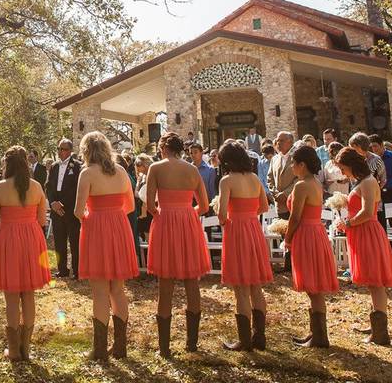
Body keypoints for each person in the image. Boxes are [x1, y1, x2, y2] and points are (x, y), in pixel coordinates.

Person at [74, 131, 138, 361]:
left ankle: (100, 349)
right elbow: (130, 206)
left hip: (97, 230)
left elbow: (78, 211)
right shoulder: (121, 171)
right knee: (118, 290)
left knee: (100, 291)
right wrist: (113, 215)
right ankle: (120, 347)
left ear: (87, 151)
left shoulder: (87, 173)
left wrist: (95, 216)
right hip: (119, 228)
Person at [146, 132, 211, 357]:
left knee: (166, 283)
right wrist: (187, 211)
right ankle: (191, 344)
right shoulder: (192, 170)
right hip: (188, 223)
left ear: (163, 148)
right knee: (191, 281)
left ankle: (164, 349)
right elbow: (204, 206)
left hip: (165, 223)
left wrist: (162, 213)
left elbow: (149, 206)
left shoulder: (156, 168)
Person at [0, 145, 50, 361]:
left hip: (8, 239)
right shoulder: (36, 186)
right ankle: (26, 348)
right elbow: (42, 220)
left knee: (12, 297)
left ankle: (13, 350)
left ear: (7, 164)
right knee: (29, 294)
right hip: (32, 239)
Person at [334, 146, 392, 345]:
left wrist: (348, 223)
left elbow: (368, 211)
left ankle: (380, 332)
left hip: (368, 233)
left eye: (343, 168)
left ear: (352, 165)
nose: (342, 173)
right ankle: (375, 322)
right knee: (371, 282)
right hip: (361, 233)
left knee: (376, 283)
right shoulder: (362, 182)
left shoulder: (369, 182)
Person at [216, 141, 271, 352]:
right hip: (253, 229)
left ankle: (245, 340)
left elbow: (221, 215)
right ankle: (260, 337)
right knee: (255, 285)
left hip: (236, 231)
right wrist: (248, 216)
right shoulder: (255, 178)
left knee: (240, 287)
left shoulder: (227, 181)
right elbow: (264, 207)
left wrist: (231, 217)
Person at [284, 145, 338, 349]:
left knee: (313, 286)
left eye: (293, 163)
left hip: (306, 233)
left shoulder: (302, 185)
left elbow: (295, 217)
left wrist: (288, 238)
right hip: (316, 231)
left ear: (302, 164)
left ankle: (320, 337)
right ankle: (316, 333)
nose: (291, 167)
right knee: (314, 287)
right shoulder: (314, 182)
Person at [47, 138, 82, 279]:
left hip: (70, 209)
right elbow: (48, 186)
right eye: (59, 149)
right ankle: (62, 270)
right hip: (56, 209)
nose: (61, 152)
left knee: (74, 241)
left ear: (71, 151)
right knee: (59, 240)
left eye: (64, 149)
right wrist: (53, 202)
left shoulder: (78, 166)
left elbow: (76, 189)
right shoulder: (54, 166)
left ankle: (77, 270)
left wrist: (63, 203)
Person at [268, 131, 297, 271]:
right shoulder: (275, 159)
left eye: (281, 140)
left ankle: (295, 264)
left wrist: (285, 194)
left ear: (290, 142)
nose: (278, 143)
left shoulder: (296, 157)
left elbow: (299, 178)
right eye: (277, 140)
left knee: (294, 233)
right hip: (279, 203)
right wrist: (275, 193)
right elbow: (269, 178)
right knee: (284, 233)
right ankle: (287, 264)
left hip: (292, 201)